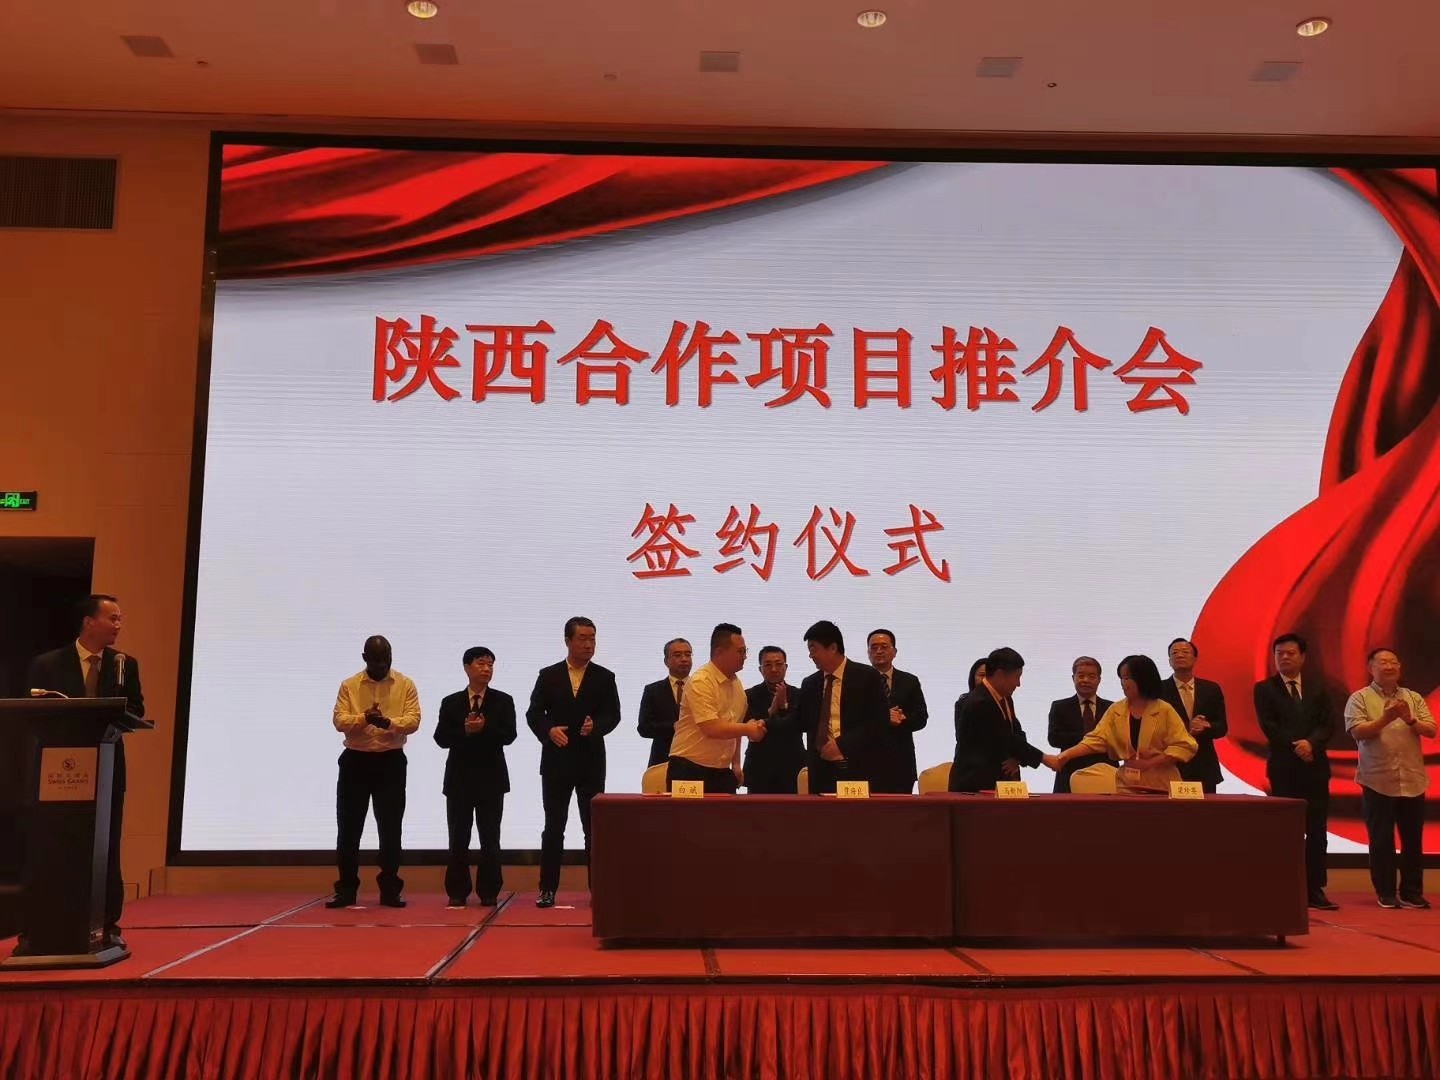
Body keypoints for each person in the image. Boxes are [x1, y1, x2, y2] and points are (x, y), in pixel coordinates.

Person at [24, 594, 144, 950]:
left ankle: (106, 923)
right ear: (89, 622)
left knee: (106, 846)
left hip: (106, 768)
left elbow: (136, 710)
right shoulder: (47, 664)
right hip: (57, 770)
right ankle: (40, 927)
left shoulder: (124, 664)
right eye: (113, 618)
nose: (119, 625)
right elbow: (33, 712)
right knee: (51, 845)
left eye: (120, 618)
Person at [526, 616, 620, 909]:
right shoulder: (549, 675)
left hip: (591, 761)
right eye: (582, 638)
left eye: (592, 638)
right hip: (557, 760)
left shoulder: (605, 677)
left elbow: (613, 714)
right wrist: (549, 731)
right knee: (554, 827)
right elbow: (534, 713)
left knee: (593, 829)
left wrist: (597, 726)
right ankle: (547, 888)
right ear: (567, 641)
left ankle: (599, 890)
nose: (589, 644)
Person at [328, 635, 421, 909]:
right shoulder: (349, 685)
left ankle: (390, 890)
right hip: (355, 761)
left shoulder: (405, 684)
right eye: (377, 659)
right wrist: (364, 719)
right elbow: (339, 720)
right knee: (348, 828)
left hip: (391, 762)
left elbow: (413, 720)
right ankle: (346, 890)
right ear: (364, 658)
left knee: (391, 828)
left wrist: (388, 723)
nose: (382, 664)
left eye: (386, 658)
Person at [1345, 647, 1436, 909]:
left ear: (1399, 667)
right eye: (1382, 662)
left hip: (1412, 777)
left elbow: (1431, 730)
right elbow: (1358, 732)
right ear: (1370, 668)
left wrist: (1409, 720)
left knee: (1412, 840)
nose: (1389, 666)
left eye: (1393, 662)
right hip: (1377, 778)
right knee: (1382, 839)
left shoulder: (1413, 697)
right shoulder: (1359, 698)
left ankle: (1412, 892)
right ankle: (1386, 892)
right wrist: (1385, 718)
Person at [1254, 633, 1337, 911]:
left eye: (1290, 653)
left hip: (1315, 768)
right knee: (1286, 831)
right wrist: (1297, 746)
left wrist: (1311, 743)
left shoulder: (1319, 687)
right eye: (1279, 653)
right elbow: (1270, 726)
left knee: (1317, 831)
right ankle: (1286, 886)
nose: (1284, 658)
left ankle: (1315, 889)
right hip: (1284, 769)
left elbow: (1328, 723)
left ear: (1303, 656)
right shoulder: (1264, 689)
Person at [434, 647, 516, 908]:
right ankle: (457, 891)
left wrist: (484, 728)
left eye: (491, 664)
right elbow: (440, 738)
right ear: (467, 667)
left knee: (490, 838)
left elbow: (509, 735)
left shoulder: (503, 700)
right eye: (481, 663)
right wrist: (466, 731)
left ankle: (489, 890)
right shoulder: (451, 702)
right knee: (458, 837)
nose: (487, 669)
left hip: (491, 779)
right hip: (459, 779)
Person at [1054, 655, 1196, 792]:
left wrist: (1149, 763)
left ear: (1142, 679)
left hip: (1162, 786)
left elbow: (1185, 745)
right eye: (1121, 678)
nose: (1123, 683)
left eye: (1127, 678)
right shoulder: (1116, 710)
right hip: (1126, 785)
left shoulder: (1164, 709)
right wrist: (1065, 756)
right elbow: (1096, 739)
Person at [667, 623, 767, 793]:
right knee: (688, 812)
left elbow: (734, 729)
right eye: (740, 651)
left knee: (727, 811)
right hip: (689, 768)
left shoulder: (736, 684)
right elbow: (711, 728)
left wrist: (736, 763)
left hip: (721, 769)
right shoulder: (701, 681)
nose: (744, 657)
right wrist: (749, 729)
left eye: (745, 651)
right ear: (720, 651)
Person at [796, 620, 890, 794]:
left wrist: (842, 745)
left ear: (832, 648)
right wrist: (770, 717)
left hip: (858, 767)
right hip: (820, 772)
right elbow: (799, 721)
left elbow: (879, 722)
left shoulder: (867, 677)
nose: (811, 655)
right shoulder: (810, 683)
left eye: (813, 649)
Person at [949, 647, 1060, 792]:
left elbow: (1015, 731)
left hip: (1000, 781)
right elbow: (1005, 738)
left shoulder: (1005, 698)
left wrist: (1017, 758)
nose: (1018, 684)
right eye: (1016, 677)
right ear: (1000, 674)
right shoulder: (980, 702)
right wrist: (1044, 758)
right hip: (975, 784)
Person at [1159, 637, 1229, 793]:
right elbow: (1155, 729)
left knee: (1206, 808)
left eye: (1185, 652)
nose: (1180, 655)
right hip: (1171, 764)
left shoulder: (1211, 689)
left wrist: (1206, 726)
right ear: (1169, 661)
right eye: (1174, 653)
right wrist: (1186, 727)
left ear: (1195, 658)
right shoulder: (1159, 690)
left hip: (1204, 765)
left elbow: (1222, 728)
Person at [866, 629, 930, 794]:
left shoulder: (909, 681)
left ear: (894, 651)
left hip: (901, 762)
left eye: (884, 647)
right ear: (868, 652)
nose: (879, 651)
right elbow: (851, 718)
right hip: (867, 761)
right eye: (874, 647)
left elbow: (921, 717)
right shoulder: (858, 680)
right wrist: (883, 718)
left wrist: (902, 718)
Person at [1046, 656, 1113, 793]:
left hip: (1106, 775)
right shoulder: (1060, 706)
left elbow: (1116, 739)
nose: (1085, 680)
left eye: (1091, 676)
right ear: (1073, 678)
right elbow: (1054, 738)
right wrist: (1094, 739)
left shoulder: (1112, 708)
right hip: (1069, 773)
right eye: (1081, 676)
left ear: (1099, 680)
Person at [743, 646, 805, 794]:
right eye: (768, 665)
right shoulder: (749, 695)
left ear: (786, 667)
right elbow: (753, 730)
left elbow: (797, 725)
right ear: (760, 669)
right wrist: (772, 711)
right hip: (759, 766)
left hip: (792, 766)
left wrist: (783, 706)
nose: (774, 669)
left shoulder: (799, 694)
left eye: (778, 664)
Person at [636, 638, 692, 768]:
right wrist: (674, 727)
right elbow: (644, 728)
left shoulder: (702, 688)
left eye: (688, 654)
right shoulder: (653, 690)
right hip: (662, 760)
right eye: (678, 655)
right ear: (666, 661)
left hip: (696, 760)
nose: (684, 659)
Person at [952, 658, 987, 734]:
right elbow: (961, 735)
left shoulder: (1004, 701)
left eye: (989, 676)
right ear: (973, 677)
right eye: (982, 675)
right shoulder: (963, 703)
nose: (985, 680)